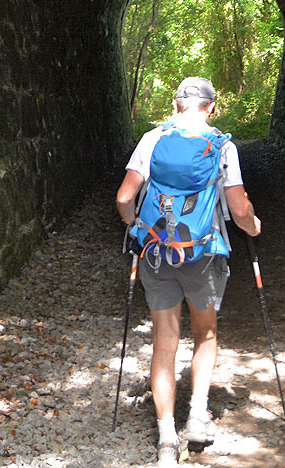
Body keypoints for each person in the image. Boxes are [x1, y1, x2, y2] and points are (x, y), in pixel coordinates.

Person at [115, 77, 262, 468]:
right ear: (211, 107)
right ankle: (197, 415)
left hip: (156, 252)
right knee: (205, 332)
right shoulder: (222, 147)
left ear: (175, 104)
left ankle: (166, 437)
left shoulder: (152, 140)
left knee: (164, 340)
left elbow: (125, 197)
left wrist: (133, 227)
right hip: (202, 253)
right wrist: (252, 226)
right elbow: (239, 209)